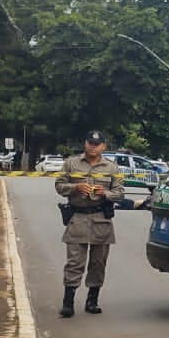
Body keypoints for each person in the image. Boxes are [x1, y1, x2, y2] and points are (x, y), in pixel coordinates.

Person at [54, 130, 124, 317]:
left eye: (97, 144)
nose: (93, 146)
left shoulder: (112, 168)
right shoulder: (71, 163)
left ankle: (92, 300)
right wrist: (75, 187)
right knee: (74, 262)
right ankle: (68, 302)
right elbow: (59, 186)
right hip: (77, 218)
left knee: (98, 262)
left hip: (101, 219)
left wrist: (105, 193)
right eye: (90, 143)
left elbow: (120, 193)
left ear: (104, 146)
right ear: (85, 144)